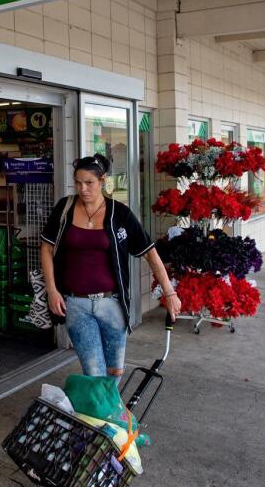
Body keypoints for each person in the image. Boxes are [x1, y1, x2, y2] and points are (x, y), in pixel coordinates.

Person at [39, 154, 180, 381]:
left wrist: (170, 292)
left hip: (111, 304)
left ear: (103, 181)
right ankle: (101, 414)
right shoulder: (64, 209)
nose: (83, 189)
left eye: (89, 183)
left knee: (115, 372)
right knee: (94, 373)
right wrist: (52, 290)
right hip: (76, 304)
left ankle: (109, 414)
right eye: (78, 183)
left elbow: (150, 254)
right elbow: (46, 249)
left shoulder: (120, 214)